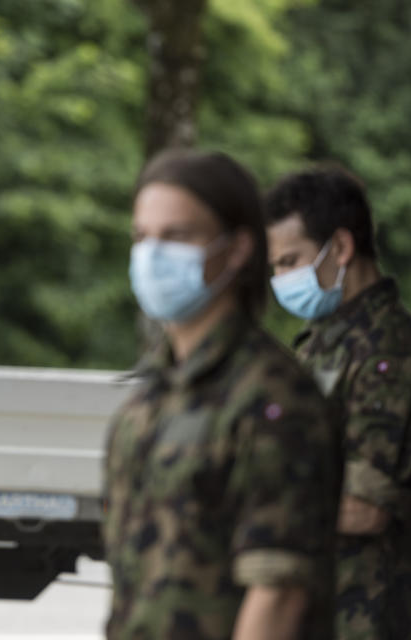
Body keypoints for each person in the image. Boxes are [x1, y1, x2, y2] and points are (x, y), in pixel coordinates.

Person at [104, 149, 341, 640]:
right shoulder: (147, 401)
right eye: (142, 237)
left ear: (236, 249)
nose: (152, 255)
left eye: (177, 236)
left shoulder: (273, 398)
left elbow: (276, 593)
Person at [265, 166, 411, 640]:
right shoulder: (327, 343)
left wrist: (249, 512)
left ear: (343, 248)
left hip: (375, 617)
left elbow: (365, 508)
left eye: (290, 261)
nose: (280, 279)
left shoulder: (389, 356)